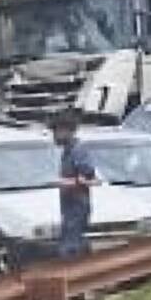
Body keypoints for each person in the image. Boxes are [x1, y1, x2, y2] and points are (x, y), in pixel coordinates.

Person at [51, 109, 96, 259]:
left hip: (77, 205)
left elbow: (88, 176)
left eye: (56, 131)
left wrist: (67, 182)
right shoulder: (67, 151)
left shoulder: (78, 151)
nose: (54, 136)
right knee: (71, 244)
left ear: (67, 131)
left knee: (70, 249)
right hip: (69, 206)